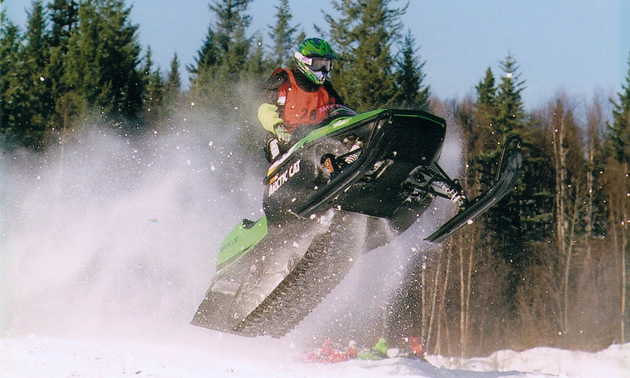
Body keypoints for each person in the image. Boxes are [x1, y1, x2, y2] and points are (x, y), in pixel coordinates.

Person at [258, 37, 344, 162]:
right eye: (318, 64)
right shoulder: (283, 80)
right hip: (286, 140)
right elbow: (264, 108)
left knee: (344, 140)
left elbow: (341, 111)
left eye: (326, 65)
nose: (323, 70)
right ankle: (279, 170)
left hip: (318, 138)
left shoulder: (326, 89)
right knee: (274, 141)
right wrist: (277, 127)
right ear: (304, 61)